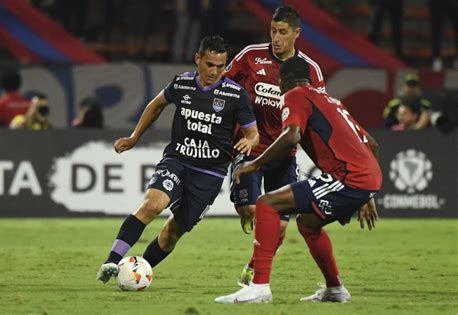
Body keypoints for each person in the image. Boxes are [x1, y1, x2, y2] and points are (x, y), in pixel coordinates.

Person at [215, 57, 382, 304]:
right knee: (308, 224)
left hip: (348, 178)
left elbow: (291, 136)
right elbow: (374, 145)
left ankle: (259, 287)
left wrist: (256, 163)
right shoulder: (332, 101)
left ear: (282, 81)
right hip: (363, 178)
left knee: (267, 204)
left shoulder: (295, 95)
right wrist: (368, 194)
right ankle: (335, 289)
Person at [96, 35, 259, 283]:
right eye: (209, 65)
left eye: (220, 66)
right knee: (152, 204)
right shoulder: (181, 85)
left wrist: (249, 141)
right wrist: (134, 137)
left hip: (210, 173)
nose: (215, 71)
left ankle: (138, 272)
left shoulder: (235, 95)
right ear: (198, 59)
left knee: (172, 233)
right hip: (178, 160)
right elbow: (156, 104)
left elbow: (253, 134)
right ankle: (111, 261)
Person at [223, 5, 325, 286]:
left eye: (282, 32)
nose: (276, 38)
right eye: (273, 31)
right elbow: (223, 87)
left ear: (296, 34)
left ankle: (253, 269)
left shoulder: (310, 70)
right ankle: (246, 213)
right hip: (250, 147)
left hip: (284, 152)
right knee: (250, 211)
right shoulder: (250, 56)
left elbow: (319, 114)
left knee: (279, 224)